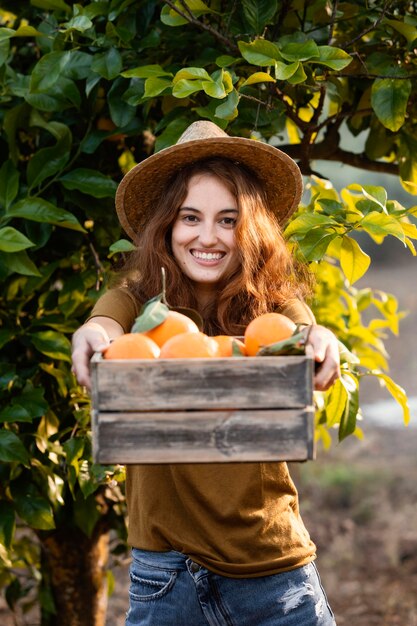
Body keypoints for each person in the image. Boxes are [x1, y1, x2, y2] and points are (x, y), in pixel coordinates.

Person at [71, 121, 340, 626]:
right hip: (166, 576)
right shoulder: (138, 303)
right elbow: (107, 318)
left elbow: (304, 329)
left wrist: (319, 340)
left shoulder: (272, 310)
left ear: (251, 227)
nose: (208, 237)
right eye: (190, 217)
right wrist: (95, 332)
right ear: (168, 226)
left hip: (272, 572)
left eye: (228, 220)